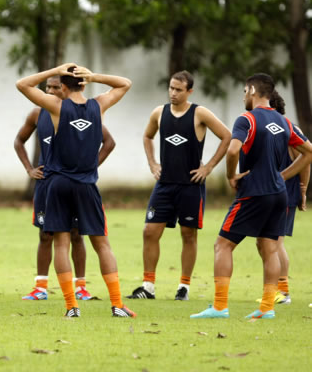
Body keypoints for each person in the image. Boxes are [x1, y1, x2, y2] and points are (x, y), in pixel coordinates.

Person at [16, 63, 135, 318]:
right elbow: (125, 82)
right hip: (87, 185)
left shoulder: (56, 107)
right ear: (83, 83)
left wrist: (53, 70)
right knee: (102, 244)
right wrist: (95, 77)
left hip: (58, 184)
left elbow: (22, 84)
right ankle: (117, 304)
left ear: (63, 86)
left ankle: (71, 307)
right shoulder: (99, 105)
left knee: (61, 244)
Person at [191, 73, 312, 320]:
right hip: (278, 194)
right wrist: (283, 177)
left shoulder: (246, 119)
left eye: (245, 91)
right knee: (268, 248)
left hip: (254, 193)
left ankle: (220, 307)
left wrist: (231, 175)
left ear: (252, 90)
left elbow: (233, 149)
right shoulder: (284, 122)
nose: (244, 95)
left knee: (223, 245)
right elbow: (308, 152)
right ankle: (267, 309)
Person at [128, 70, 231, 301]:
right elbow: (147, 136)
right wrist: (153, 163)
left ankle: (183, 287)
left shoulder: (199, 113)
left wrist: (209, 167)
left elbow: (227, 136)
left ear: (189, 91)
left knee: (188, 235)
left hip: (190, 185)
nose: (173, 93)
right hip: (164, 185)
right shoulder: (159, 113)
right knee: (150, 231)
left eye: (178, 90)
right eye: (171, 88)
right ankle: (148, 286)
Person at [252, 91, 310, 305]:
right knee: (264, 242)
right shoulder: (269, 129)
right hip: (267, 193)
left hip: (283, 193)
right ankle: (276, 289)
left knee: (275, 242)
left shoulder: (288, 129)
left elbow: (306, 158)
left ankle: (283, 292)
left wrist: (302, 190)